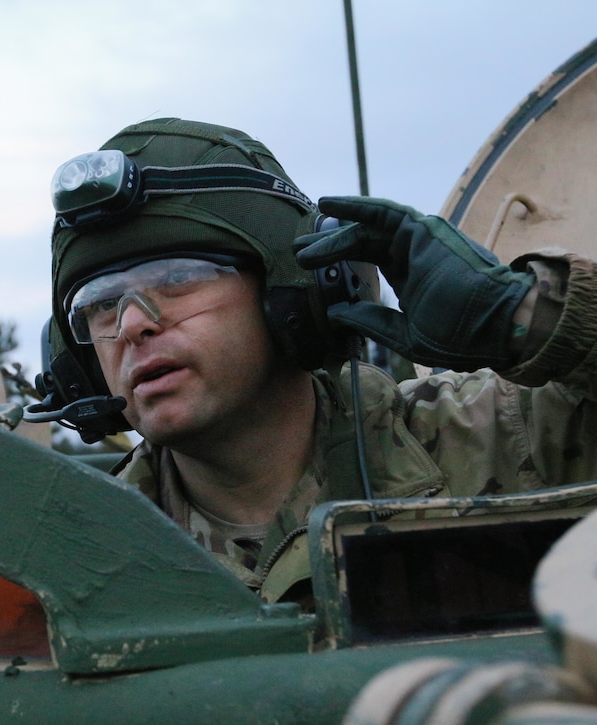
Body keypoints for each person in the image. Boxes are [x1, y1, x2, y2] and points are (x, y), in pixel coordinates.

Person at [39, 117, 597, 608]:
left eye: (179, 279)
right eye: (101, 303)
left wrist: (525, 317)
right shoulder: (72, 558)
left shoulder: (500, 438)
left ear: (299, 295)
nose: (132, 325)